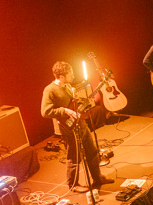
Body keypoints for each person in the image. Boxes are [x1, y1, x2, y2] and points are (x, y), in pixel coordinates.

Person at [42, 62, 112, 193]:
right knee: (74, 157)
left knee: (92, 152)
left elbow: (73, 104)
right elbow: (45, 112)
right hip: (67, 128)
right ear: (61, 76)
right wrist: (64, 111)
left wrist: (83, 102)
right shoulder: (50, 90)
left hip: (81, 124)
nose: (73, 76)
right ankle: (73, 185)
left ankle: (97, 178)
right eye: (70, 74)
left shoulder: (68, 86)